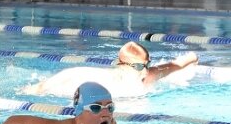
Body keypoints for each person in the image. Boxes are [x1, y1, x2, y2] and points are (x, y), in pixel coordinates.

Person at [25, 42, 199, 98]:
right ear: (122, 65)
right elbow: (71, 75)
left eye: (147, 64)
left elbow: (175, 65)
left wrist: (193, 57)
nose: (145, 71)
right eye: (139, 67)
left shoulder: (147, 77)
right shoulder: (108, 82)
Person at [0, 82, 117, 124]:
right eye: (96, 108)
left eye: (110, 107)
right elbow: (13, 122)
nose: (106, 114)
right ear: (79, 112)